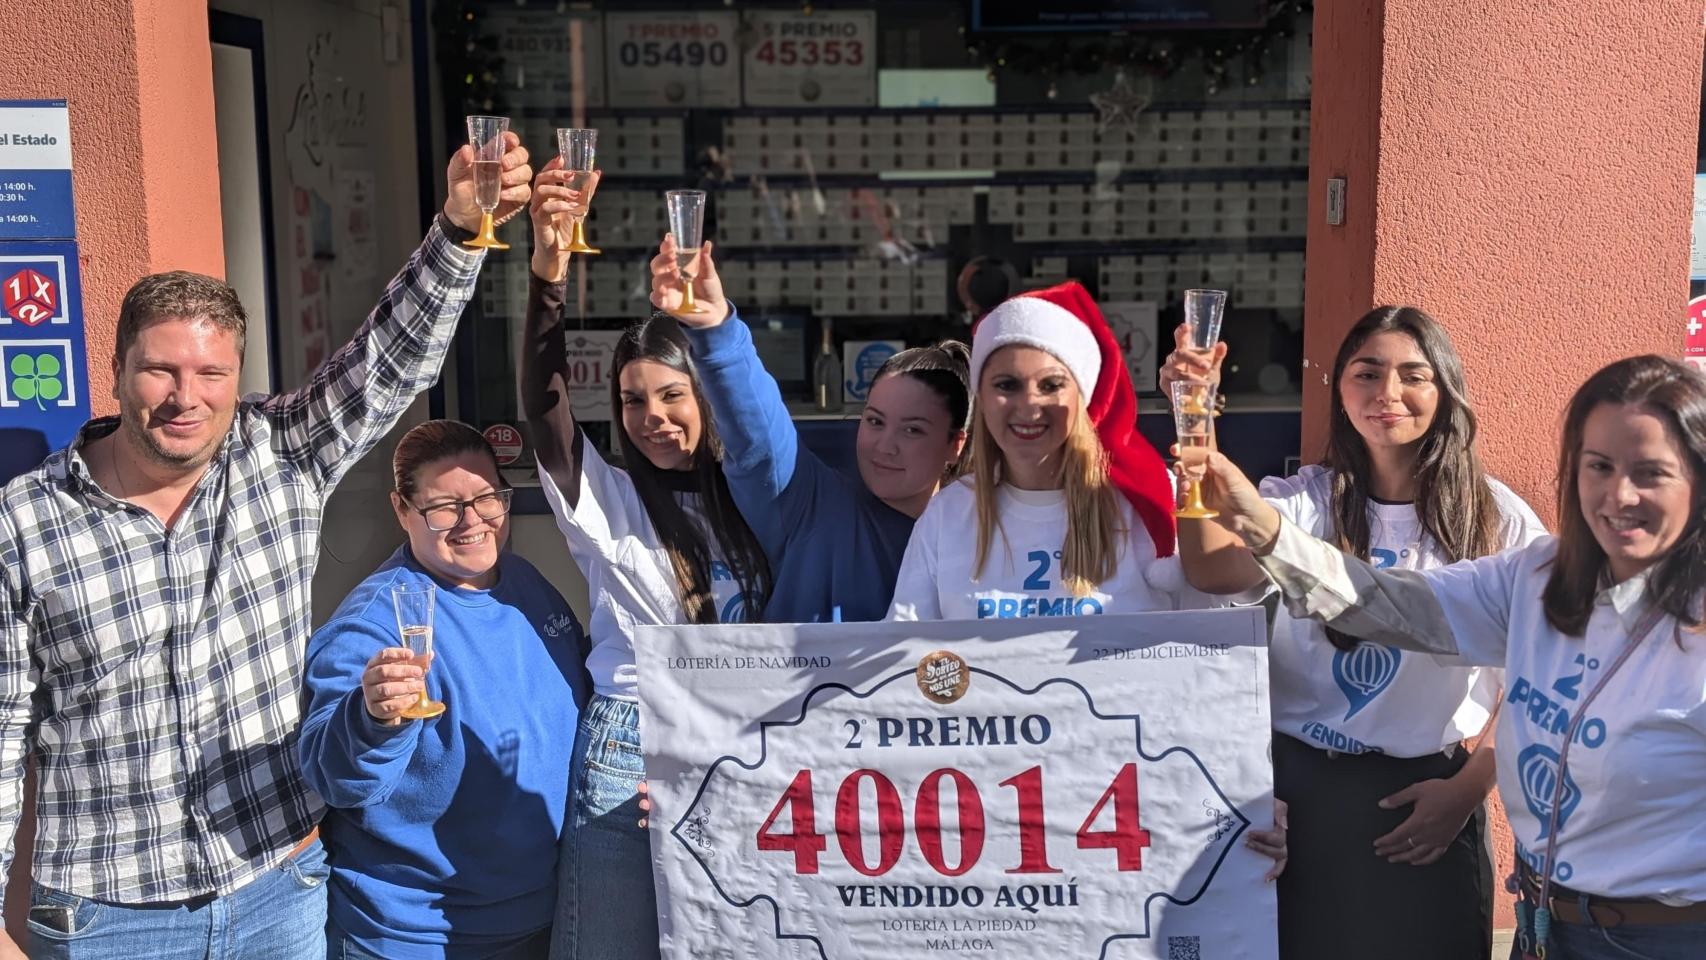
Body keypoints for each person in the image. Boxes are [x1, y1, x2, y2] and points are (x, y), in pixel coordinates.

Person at [0, 138, 531, 958]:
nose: (187, 398)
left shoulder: (276, 453)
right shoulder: (26, 519)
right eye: (161, 371)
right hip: (108, 917)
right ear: (116, 372)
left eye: (212, 374)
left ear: (238, 378)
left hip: (277, 891)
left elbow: (384, 364)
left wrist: (459, 233)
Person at [1186, 353, 1706, 960]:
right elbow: (1384, 605)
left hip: (1667, 936)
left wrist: (1463, 789)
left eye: (1651, 472)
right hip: (1547, 924)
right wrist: (1268, 531)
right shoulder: (1537, 576)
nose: (1619, 494)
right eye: (1599, 466)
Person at [1164, 306, 1547, 960]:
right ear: (1339, 389)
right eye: (1366, 374)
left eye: (1412, 375)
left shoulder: (1497, 516)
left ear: (1445, 390)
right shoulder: (1302, 500)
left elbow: (1540, 671)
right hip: (1300, 797)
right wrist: (1193, 427)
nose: (1387, 394)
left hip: (1428, 798)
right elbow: (1209, 571)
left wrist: (1467, 789)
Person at [883, 281, 1287, 871]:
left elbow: (1220, 665)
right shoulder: (951, 513)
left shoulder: (1147, 506)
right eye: (1005, 385)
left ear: (1085, 393)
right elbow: (903, 664)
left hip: (1135, 816)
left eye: (1052, 385)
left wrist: (1246, 794)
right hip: (991, 824)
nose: (1028, 406)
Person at [518, 164, 770, 960]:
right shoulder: (611, 500)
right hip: (628, 746)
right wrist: (548, 276)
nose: (652, 419)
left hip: (745, 739)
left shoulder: (757, 497)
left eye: (671, 396)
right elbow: (545, 409)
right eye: (632, 401)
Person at [299, 420, 589, 959]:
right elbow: (334, 777)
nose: (471, 521)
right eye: (444, 507)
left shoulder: (526, 584)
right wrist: (372, 718)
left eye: (486, 498)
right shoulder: (374, 623)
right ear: (402, 509)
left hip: (543, 916)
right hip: (414, 935)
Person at [647, 235, 971, 623]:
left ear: (956, 443)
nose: (885, 445)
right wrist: (717, 333)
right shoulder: (812, 504)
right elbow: (758, 436)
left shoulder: (981, 538)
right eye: (874, 421)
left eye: (913, 430)